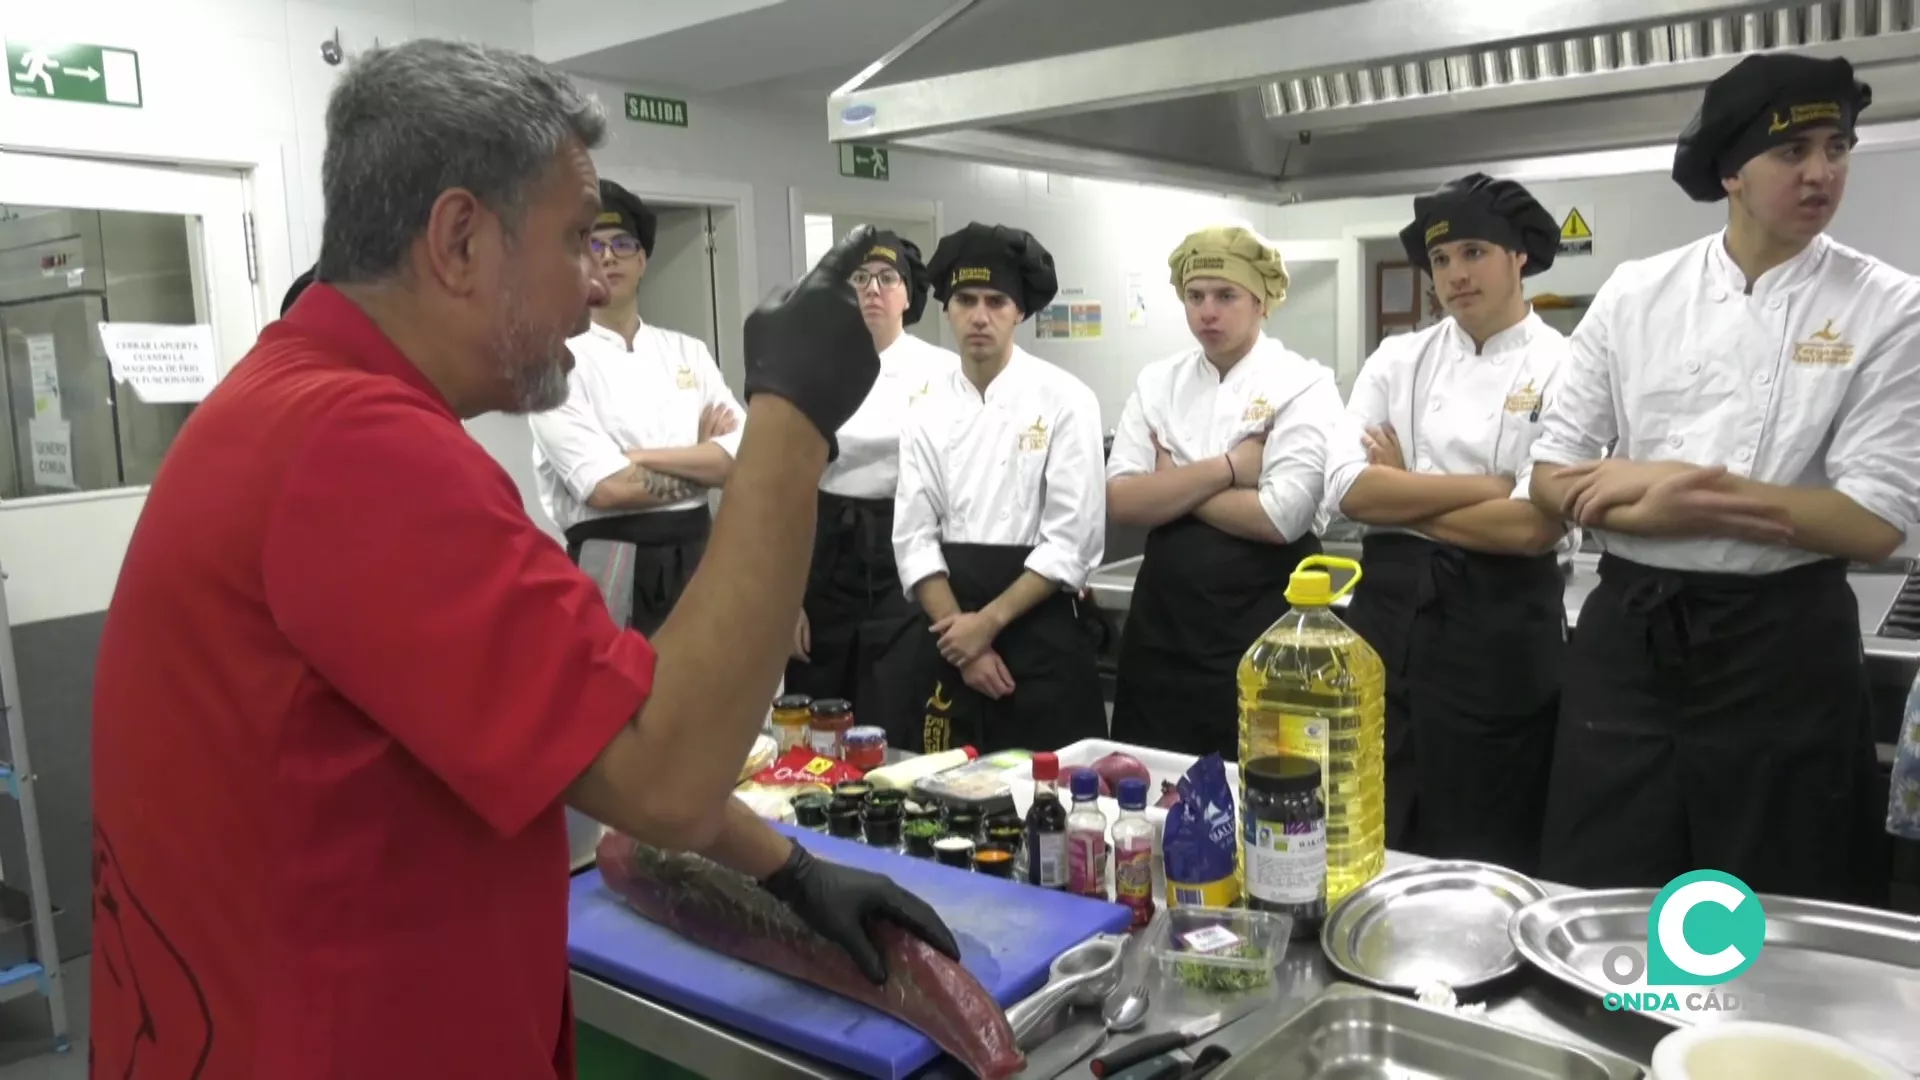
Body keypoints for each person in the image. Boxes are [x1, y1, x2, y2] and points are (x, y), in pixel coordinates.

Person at [88, 39, 956, 1079]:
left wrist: (786, 870)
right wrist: (792, 415)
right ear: (459, 240)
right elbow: (667, 774)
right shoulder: (357, 449)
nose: (594, 290)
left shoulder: (292, 405)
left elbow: (579, 733)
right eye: (576, 242)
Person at [1528, 53, 1920, 901]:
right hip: (1629, 645)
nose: (1822, 172)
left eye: (1838, 147)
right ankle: (1615, 1034)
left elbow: (1872, 522)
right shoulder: (1636, 294)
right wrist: (1666, 504)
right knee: (1610, 891)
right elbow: (1551, 477)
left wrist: (1663, 488)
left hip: (1783, 649)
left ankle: (1746, 1039)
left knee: (1773, 904)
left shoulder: (1889, 305)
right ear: (1733, 172)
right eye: (1794, 153)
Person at [1321, 175, 1571, 872]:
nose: (1455, 276)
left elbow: (1532, 528)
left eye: (1473, 252)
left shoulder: (1563, 363)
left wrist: (1407, 490)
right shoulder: (1399, 358)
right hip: (1389, 619)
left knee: (1487, 834)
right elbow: (1347, 490)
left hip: (1500, 633)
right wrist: (1487, 488)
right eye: (1441, 261)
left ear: (1518, 255)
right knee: (1380, 814)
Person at [1105, 224, 1338, 760]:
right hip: (1163, 635)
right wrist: (1232, 467)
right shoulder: (1157, 383)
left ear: (1262, 302)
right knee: (1151, 780)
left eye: (1226, 296)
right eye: (1195, 296)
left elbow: (1281, 517)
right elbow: (1121, 501)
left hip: (1264, 628)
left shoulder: (1302, 383)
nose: (1207, 311)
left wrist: (1173, 479)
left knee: (1266, 790)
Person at [876, 222, 1108, 754]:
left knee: (1054, 804)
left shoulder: (1067, 400)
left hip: (1039, 630)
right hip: (950, 633)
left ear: (1019, 311)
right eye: (965, 300)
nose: (980, 316)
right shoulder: (925, 407)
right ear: (947, 309)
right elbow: (913, 538)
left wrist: (989, 625)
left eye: (996, 301)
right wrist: (966, 640)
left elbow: (1071, 542)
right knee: (946, 805)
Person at [527, 178, 745, 635]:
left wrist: (637, 458)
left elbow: (742, 458)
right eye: (595, 245)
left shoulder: (689, 352)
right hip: (610, 557)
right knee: (620, 697)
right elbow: (606, 489)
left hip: (699, 549)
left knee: (707, 692)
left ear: (643, 260)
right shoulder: (556, 362)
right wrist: (703, 459)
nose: (609, 256)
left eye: (623, 244)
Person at [786, 231, 958, 713]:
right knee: (819, 693)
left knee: (899, 694)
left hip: (909, 547)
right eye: (859, 278)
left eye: (887, 278)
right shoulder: (812, 365)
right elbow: (789, 482)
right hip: (826, 549)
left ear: (908, 293)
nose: (872, 289)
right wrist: (788, 601)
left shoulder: (942, 371)